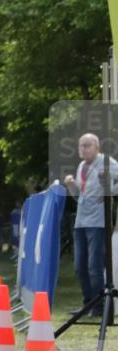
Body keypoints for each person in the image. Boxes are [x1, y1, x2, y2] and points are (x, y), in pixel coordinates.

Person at [63, 133, 118, 316]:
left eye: (87, 145)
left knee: (94, 267)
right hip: (81, 222)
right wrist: (71, 186)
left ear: (97, 147)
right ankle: (88, 304)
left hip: (98, 222)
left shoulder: (107, 162)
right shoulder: (81, 166)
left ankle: (100, 307)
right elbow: (80, 196)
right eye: (80, 146)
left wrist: (108, 188)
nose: (83, 149)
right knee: (80, 266)